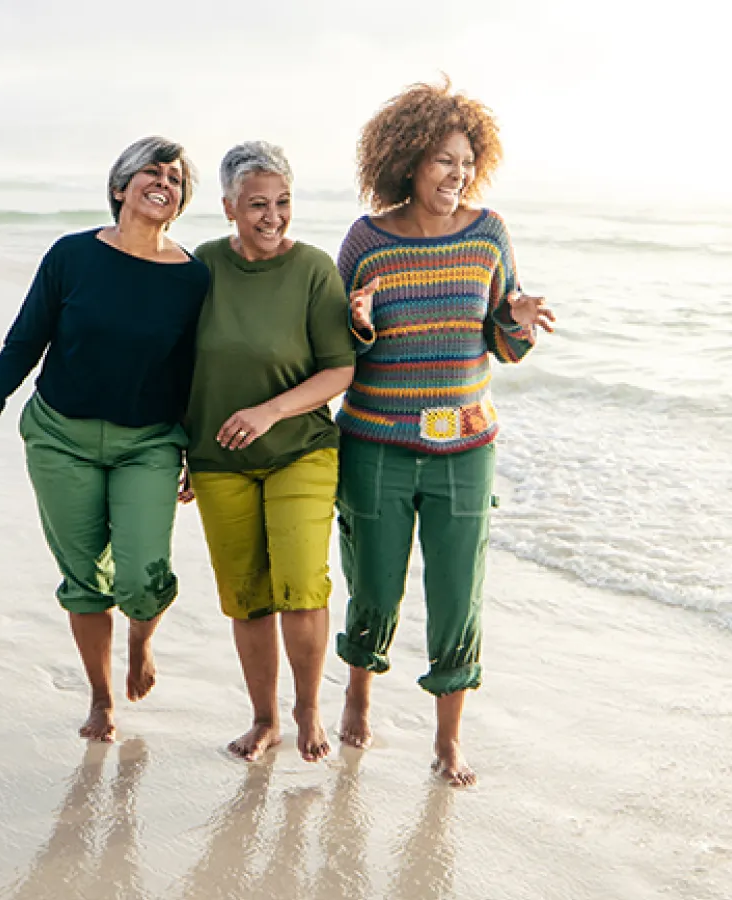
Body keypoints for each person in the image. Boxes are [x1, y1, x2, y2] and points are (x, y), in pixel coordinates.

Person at [0, 136, 209, 744]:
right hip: (59, 438)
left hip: (148, 443)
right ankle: (101, 700)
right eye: (152, 172)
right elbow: (27, 339)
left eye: (176, 179)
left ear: (181, 200)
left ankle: (141, 637)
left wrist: (198, 453)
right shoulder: (72, 256)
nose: (165, 183)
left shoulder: (194, 279)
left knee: (144, 578)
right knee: (83, 579)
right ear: (120, 186)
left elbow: (198, 373)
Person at [333, 81, 556, 786]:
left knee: (459, 593)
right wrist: (358, 322)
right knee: (374, 585)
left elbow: (502, 342)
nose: (455, 177)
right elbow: (337, 346)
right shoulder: (366, 240)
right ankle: (359, 692)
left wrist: (517, 318)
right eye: (441, 162)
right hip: (375, 444)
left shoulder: (489, 233)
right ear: (406, 163)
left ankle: (448, 739)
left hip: (467, 447)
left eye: (465, 164)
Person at [184, 141, 356, 762]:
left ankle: (307, 710)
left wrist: (269, 411)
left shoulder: (312, 269)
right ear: (228, 206)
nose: (273, 216)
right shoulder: (201, 267)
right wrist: (181, 446)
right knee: (247, 594)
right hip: (215, 458)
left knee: (303, 584)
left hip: (300, 450)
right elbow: (174, 362)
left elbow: (340, 370)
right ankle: (264, 721)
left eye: (283, 202)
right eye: (258, 204)